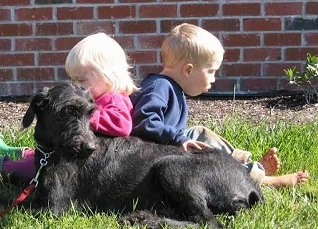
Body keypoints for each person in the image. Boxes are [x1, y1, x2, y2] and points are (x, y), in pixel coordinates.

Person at [131, 23, 309, 188]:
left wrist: (181, 138)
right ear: (188, 70)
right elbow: (143, 122)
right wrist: (178, 139)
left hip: (168, 146)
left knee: (199, 133)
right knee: (199, 146)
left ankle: (243, 165)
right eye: (211, 72)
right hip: (154, 156)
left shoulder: (168, 86)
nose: (214, 79)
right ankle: (259, 179)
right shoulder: (159, 87)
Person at [0, 32, 138, 180]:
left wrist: (83, 114)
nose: (76, 85)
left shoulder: (115, 98)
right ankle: (10, 150)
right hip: (75, 153)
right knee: (46, 151)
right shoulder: (99, 95)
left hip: (87, 163)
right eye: (74, 79)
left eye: (81, 80)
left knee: (34, 166)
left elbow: (122, 125)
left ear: (106, 75)